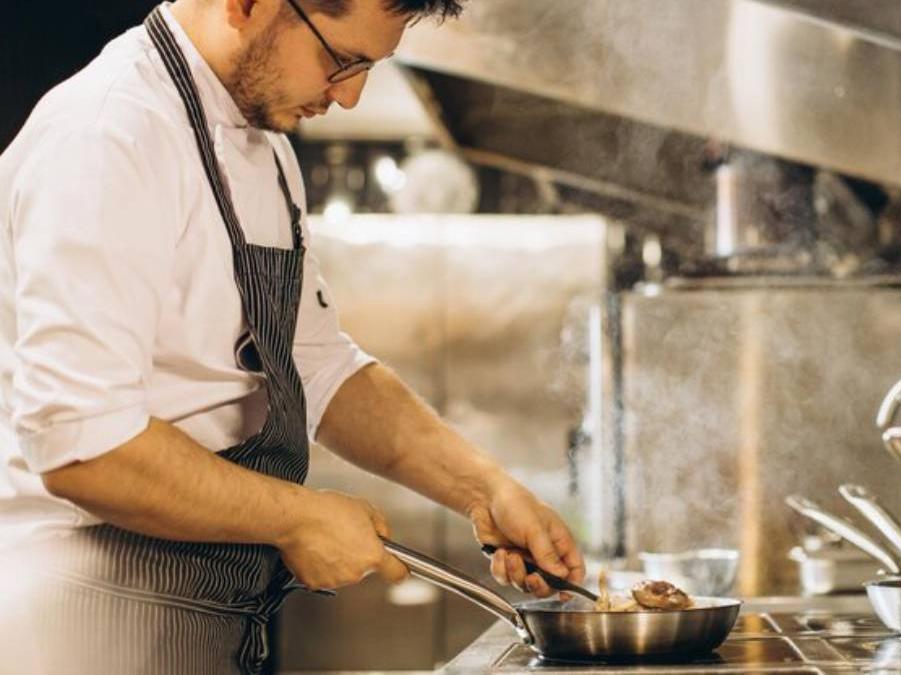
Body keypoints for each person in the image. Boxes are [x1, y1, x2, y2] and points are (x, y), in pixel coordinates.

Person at [0, 1, 585, 672]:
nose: (351, 95)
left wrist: (485, 490)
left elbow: (320, 366)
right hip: (84, 625)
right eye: (342, 61)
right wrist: (295, 517)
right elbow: (83, 441)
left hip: (206, 621)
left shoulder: (264, 145)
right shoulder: (107, 137)